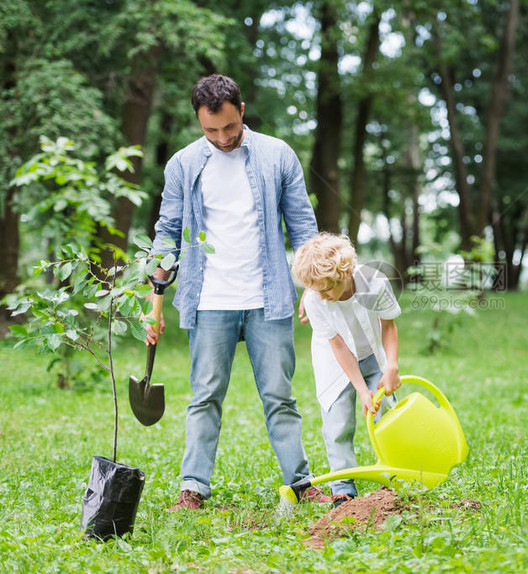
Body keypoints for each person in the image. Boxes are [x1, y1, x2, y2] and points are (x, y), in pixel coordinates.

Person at [144, 74, 330, 510]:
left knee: (280, 396)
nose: (222, 138)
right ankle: (193, 488)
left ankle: (301, 484)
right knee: (205, 395)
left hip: (269, 298)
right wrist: (154, 304)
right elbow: (167, 234)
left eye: (229, 127)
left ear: (241, 111)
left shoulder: (277, 155)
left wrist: (313, 288)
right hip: (208, 300)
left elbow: (304, 226)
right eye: (211, 130)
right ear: (199, 122)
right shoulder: (183, 164)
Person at [293, 232, 402, 507]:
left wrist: (391, 365)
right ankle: (342, 490)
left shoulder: (374, 284)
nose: (321, 296)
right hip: (336, 362)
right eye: (314, 290)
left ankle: (394, 476)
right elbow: (338, 345)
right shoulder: (317, 299)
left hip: (373, 355)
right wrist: (361, 390)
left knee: (387, 412)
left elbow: (388, 325)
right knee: (338, 422)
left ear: (343, 275)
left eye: (326, 289)